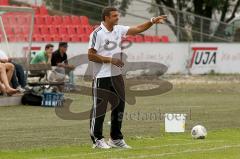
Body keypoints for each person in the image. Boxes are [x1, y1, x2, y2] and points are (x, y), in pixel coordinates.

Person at [88, 7, 167, 149]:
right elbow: (91, 55)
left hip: (116, 75)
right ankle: (97, 139)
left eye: (117, 15)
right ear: (106, 17)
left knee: (120, 106)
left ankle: (116, 139)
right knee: (99, 108)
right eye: (114, 16)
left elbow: (137, 29)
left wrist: (151, 21)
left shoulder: (118, 29)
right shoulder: (97, 33)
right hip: (101, 76)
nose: (117, 18)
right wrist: (110, 60)